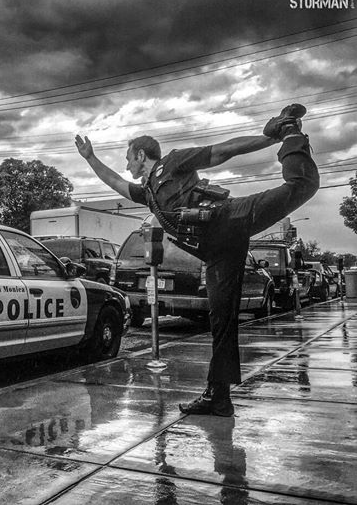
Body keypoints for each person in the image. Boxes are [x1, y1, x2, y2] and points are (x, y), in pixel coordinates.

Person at [75, 104, 319, 417]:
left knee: (302, 185)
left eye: (128, 158)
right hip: (216, 251)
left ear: (140, 155)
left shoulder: (173, 162)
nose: (126, 165)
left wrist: (270, 138)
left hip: (230, 218)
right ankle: (219, 397)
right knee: (222, 322)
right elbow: (115, 182)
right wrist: (90, 158)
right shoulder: (148, 192)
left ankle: (290, 132)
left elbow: (222, 151)